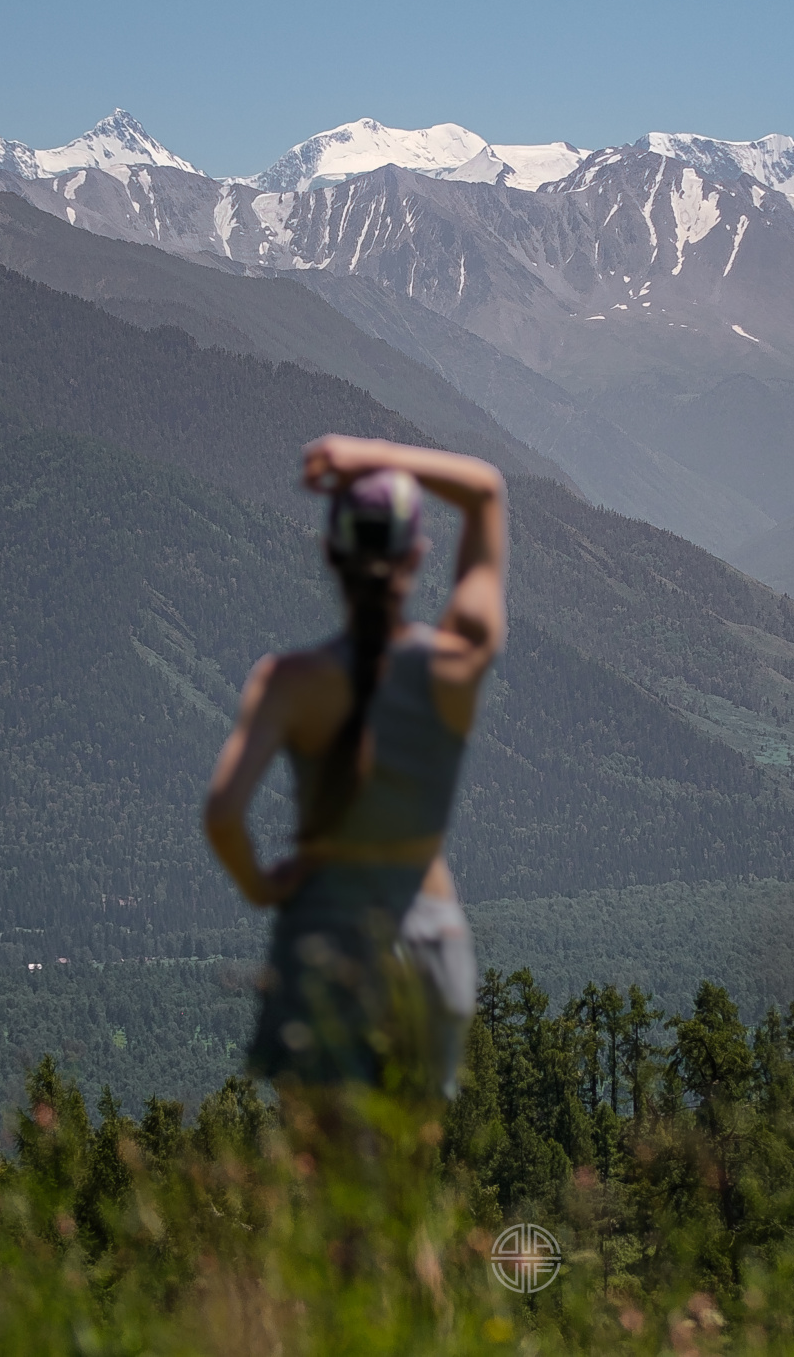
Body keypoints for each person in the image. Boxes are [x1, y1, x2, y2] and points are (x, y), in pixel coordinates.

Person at [204, 434, 506, 1101]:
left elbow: (224, 813)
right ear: (417, 555)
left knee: (328, 1180)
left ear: (329, 556)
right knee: (407, 1183)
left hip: (324, 938)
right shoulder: (455, 664)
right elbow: (486, 489)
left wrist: (261, 885)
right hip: (430, 938)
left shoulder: (288, 683)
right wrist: (369, 455)